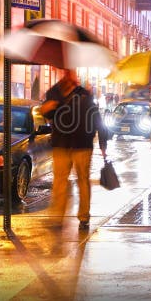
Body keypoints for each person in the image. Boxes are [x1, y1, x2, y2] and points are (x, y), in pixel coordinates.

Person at [39, 69, 108, 230]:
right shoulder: (53, 93)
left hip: (82, 144)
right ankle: (57, 218)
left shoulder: (84, 94)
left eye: (72, 72)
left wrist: (103, 144)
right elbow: (45, 114)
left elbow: (96, 118)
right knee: (59, 182)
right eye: (68, 71)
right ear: (63, 73)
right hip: (61, 144)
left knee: (83, 181)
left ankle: (84, 217)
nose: (71, 74)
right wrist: (47, 108)